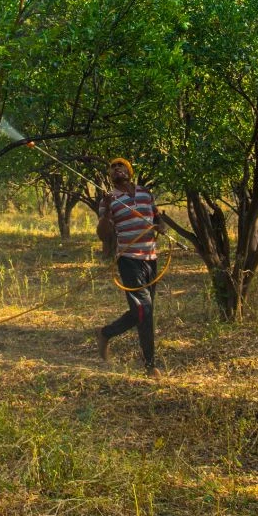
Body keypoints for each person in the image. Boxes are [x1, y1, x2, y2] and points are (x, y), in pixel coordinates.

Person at [94, 157, 162, 378]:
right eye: (112, 167)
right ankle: (150, 365)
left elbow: (157, 218)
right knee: (144, 310)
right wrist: (107, 213)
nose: (116, 169)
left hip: (150, 258)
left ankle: (106, 333)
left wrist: (160, 226)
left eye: (120, 165)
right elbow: (103, 235)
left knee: (142, 311)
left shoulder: (145, 193)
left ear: (129, 171)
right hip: (129, 259)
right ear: (110, 176)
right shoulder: (109, 200)